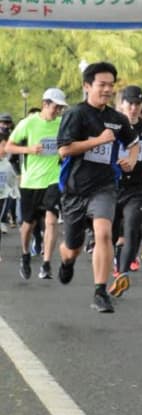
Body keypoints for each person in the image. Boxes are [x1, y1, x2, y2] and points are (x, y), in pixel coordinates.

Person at [56, 62, 140, 314]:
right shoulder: (76, 114)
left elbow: (134, 142)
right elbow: (64, 149)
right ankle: (67, 261)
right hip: (75, 188)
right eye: (101, 85)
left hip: (104, 186)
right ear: (87, 86)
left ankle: (100, 291)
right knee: (72, 248)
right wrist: (97, 141)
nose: (106, 90)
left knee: (103, 233)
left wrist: (132, 160)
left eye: (110, 86)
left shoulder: (118, 119)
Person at [7, 87, 67, 281]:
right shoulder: (29, 123)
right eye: (55, 107)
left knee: (51, 220)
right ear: (45, 104)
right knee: (28, 224)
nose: (57, 111)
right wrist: (29, 149)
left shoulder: (62, 124)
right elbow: (9, 146)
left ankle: (47, 263)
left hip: (54, 178)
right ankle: (25, 255)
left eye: (60, 108)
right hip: (31, 181)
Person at [113, 85, 142, 275]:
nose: (133, 108)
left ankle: (122, 273)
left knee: (133, 227)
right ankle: (117, 254)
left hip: (137, 186)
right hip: (113, 184)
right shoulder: (113, 124)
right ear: (122, 104)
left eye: (137, 104)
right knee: (112, 232)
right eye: (130, 103)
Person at [0, 134, 20, 259]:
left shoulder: (6, 164)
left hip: (2, 198)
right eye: (3, 145)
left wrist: (15, 192)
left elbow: (12, 181)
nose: (6, 148)